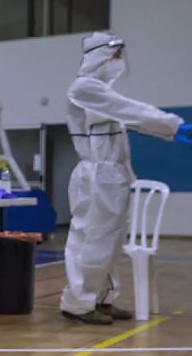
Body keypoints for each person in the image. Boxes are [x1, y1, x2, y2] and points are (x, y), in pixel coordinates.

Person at [60, 32, 191, 325]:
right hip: (97, 175)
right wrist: (173, 124)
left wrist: (170, 133)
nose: (119, 62)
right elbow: (130, 110)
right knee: (93, 239)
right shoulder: (85, 88)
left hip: (113, 175)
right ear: (99, 56)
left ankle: (101, 298)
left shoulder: (100, 93)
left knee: (112, 240)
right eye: (115, 55)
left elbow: (132, 120)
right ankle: (78, 303)